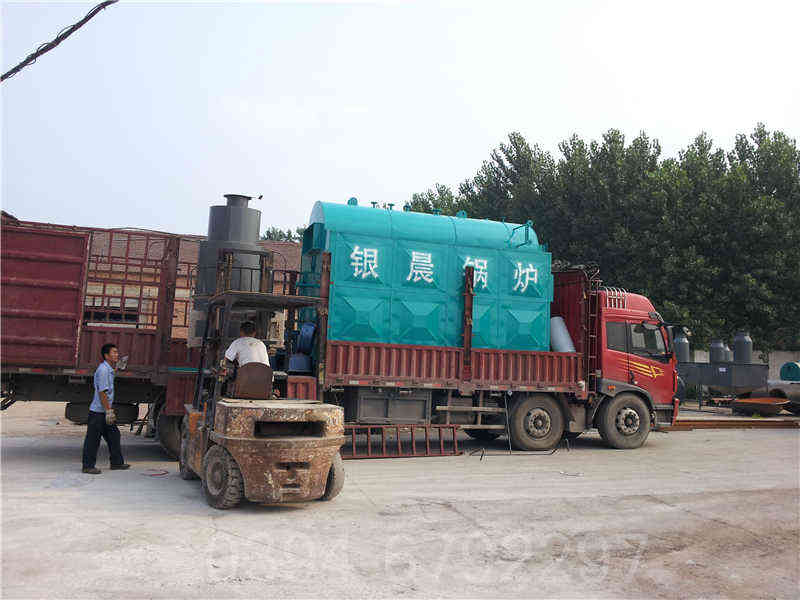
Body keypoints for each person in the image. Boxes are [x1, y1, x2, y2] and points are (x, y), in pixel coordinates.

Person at [81, 343, 130, 474]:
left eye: (117, 352)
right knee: (93, 440)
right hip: (98, 412)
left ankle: (117, 463)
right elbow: (102, 392)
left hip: (103, 411)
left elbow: (110, 376)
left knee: (114, 435)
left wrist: (118, 368)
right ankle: (88, 466)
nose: (117, 354)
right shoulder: (103, 370)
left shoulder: (108, 369)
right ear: (106, 355)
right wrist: (108, 411)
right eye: (114, 352)